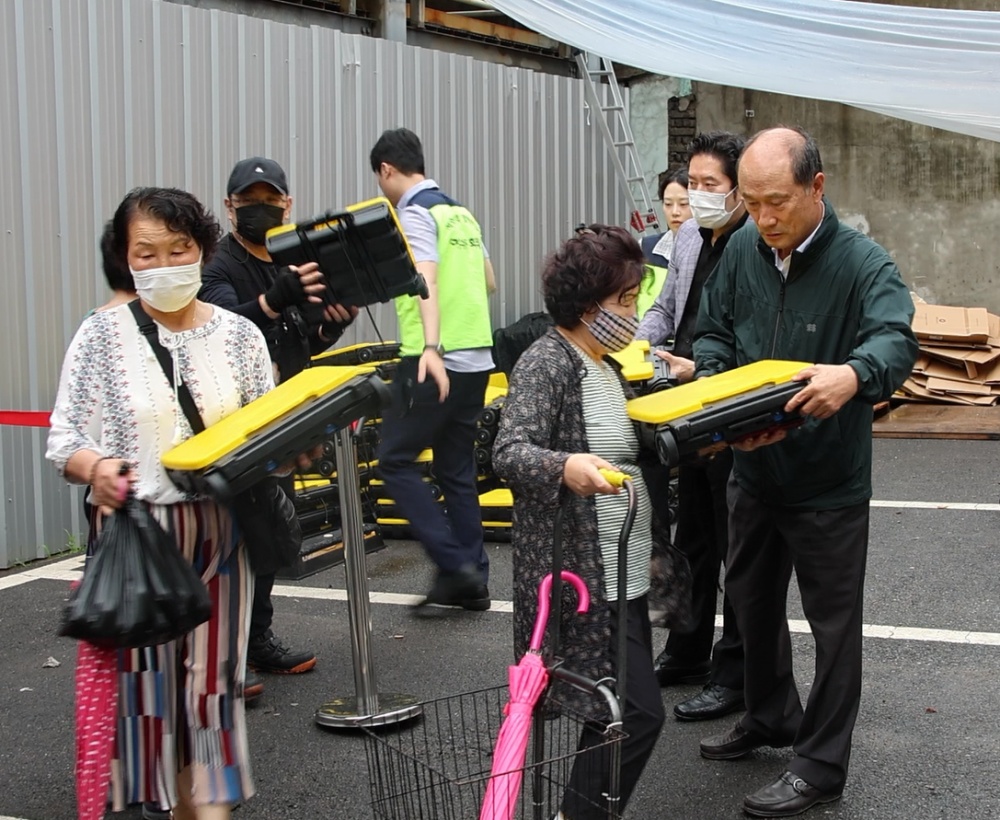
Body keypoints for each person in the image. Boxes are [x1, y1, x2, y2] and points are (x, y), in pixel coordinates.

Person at [695, 127, 917, 818]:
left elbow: (895, 338)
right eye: (752, 202)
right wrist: (713, 388)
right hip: (753, 470)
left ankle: (820, 766)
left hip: (828, 483)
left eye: (778, 203)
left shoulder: (862, 263)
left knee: (833, 627)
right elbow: (713, 331)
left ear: (817, 188)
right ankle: (770, 716)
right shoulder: (740, 250)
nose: (765, 219)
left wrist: (855, 374)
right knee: (751, 604)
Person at [47, 187, 278, 819]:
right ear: (126, 259)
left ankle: (207, 810)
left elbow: (268, 430)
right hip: (139, 533)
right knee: (147, 697)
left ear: (202, 248)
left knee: (213, 691)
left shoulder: (239, 337)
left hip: (223, 534)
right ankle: (150, 807)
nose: (164, 263)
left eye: (179, 249)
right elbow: (64, 440)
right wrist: (95, 467)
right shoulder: (100, 335)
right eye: (145, 253)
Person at [493, 225, 666, 819]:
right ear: (587, 304)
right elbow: (510, 451)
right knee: (634, 711)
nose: (634, 311)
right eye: (624, 299)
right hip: (581, 575)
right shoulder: (549, 361)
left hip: (621, 568)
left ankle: (583, 811)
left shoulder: (605, 365)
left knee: (616, 708)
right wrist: (567, 466)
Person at [199, 157, 356, 688]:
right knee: (229, 541)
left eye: (271, 200)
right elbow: (223, 330)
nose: (260, 209)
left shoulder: (297, 261)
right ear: (230, 207)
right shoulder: (217, 267)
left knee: (267, 536)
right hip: (233, 424)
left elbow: (297, 337)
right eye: (249, 202)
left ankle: (255, 640)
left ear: (289, 204)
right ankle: (221, 654)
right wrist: (271, 300)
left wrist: (329, 329)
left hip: (283, 417)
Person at [636, 132, 750, 724]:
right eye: (694, 184)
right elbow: (666, 308)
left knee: (736, 543)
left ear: (739, 190)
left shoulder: (751, 244)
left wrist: (702, 368)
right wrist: (640, 339)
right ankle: (686, 650)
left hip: (726, 403)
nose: (699, 196)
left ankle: (736, 673)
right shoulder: (683, 239)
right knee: (693, 536)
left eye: (712, 186)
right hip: (682, 400)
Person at [369, 127, 496, 613]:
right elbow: (488, 281)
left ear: (386, 170)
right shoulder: (459, 212)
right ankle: (474, 580)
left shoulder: (413, 212)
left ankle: (453, 567)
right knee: (455, 469)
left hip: (433, 358)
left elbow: (426, 278)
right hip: (478, 357)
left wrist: (432, 348)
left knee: (395, 462)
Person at [637, 167, 690, 318]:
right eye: (668, 204)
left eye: (684, 204)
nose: (675, 212)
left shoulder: (712, 250)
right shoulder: (644, 248)